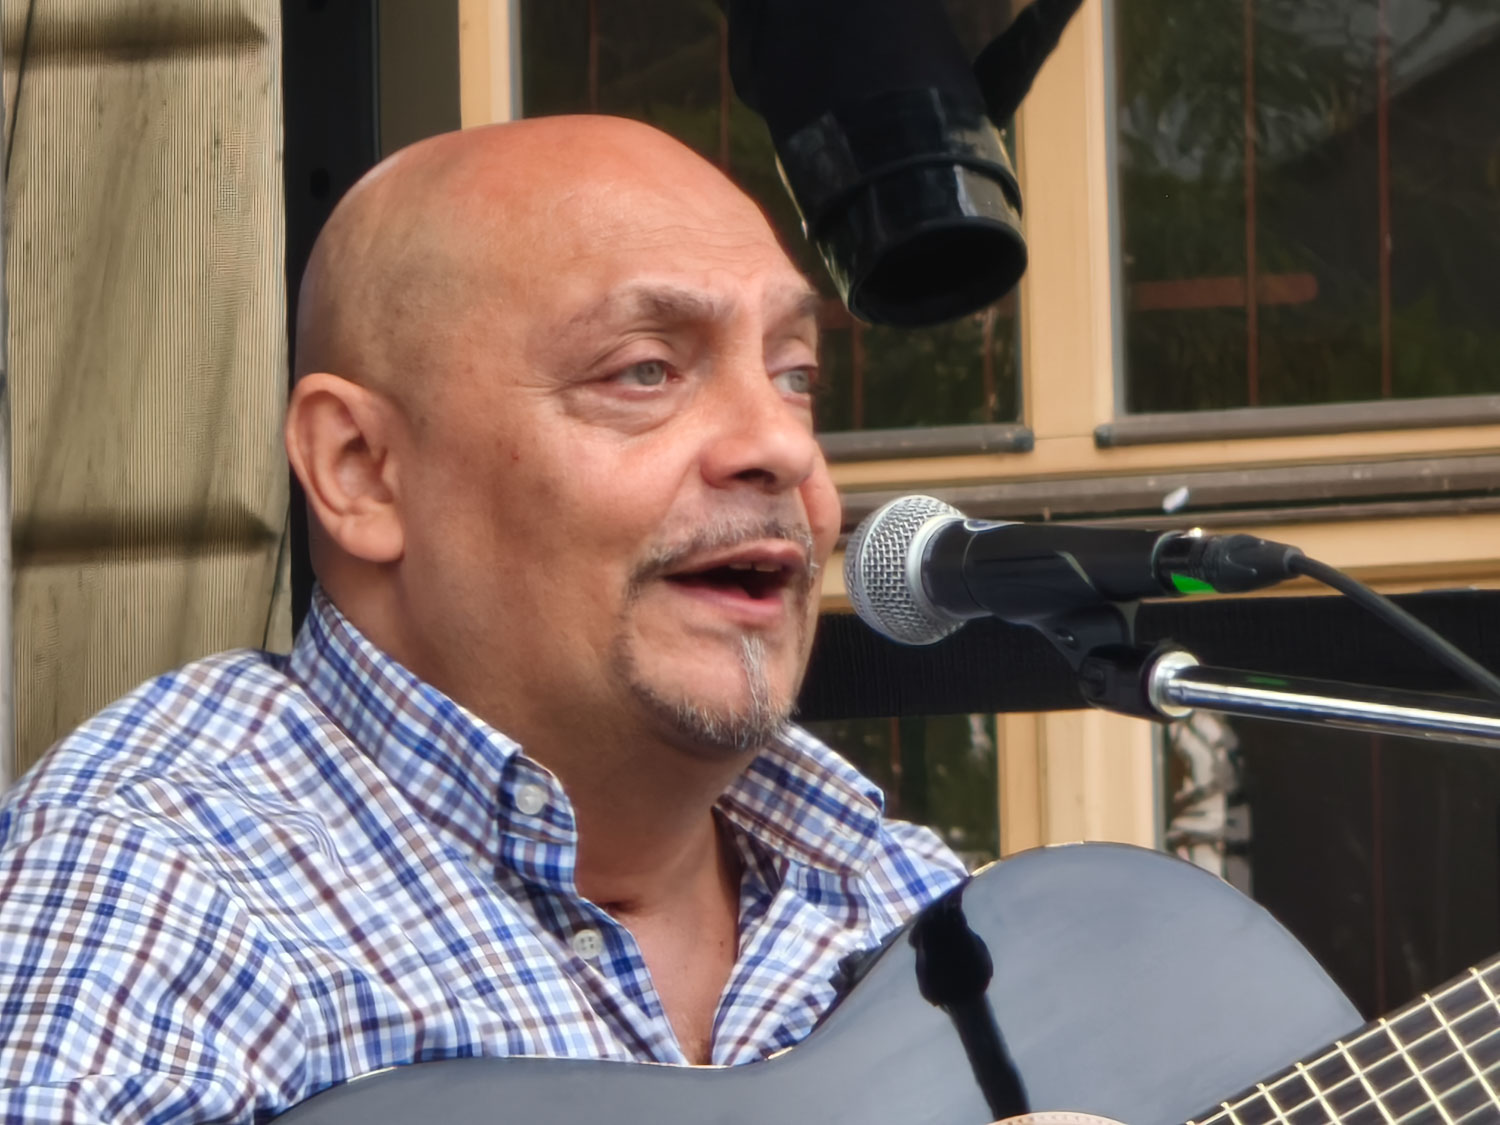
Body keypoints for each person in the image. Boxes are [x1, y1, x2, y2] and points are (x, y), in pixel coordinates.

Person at [0, 117, 966, 1122]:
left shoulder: (894, 888)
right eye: (644, 370)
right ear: (361, 470)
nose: (782, 447)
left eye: (794, 375)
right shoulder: (159, 879)